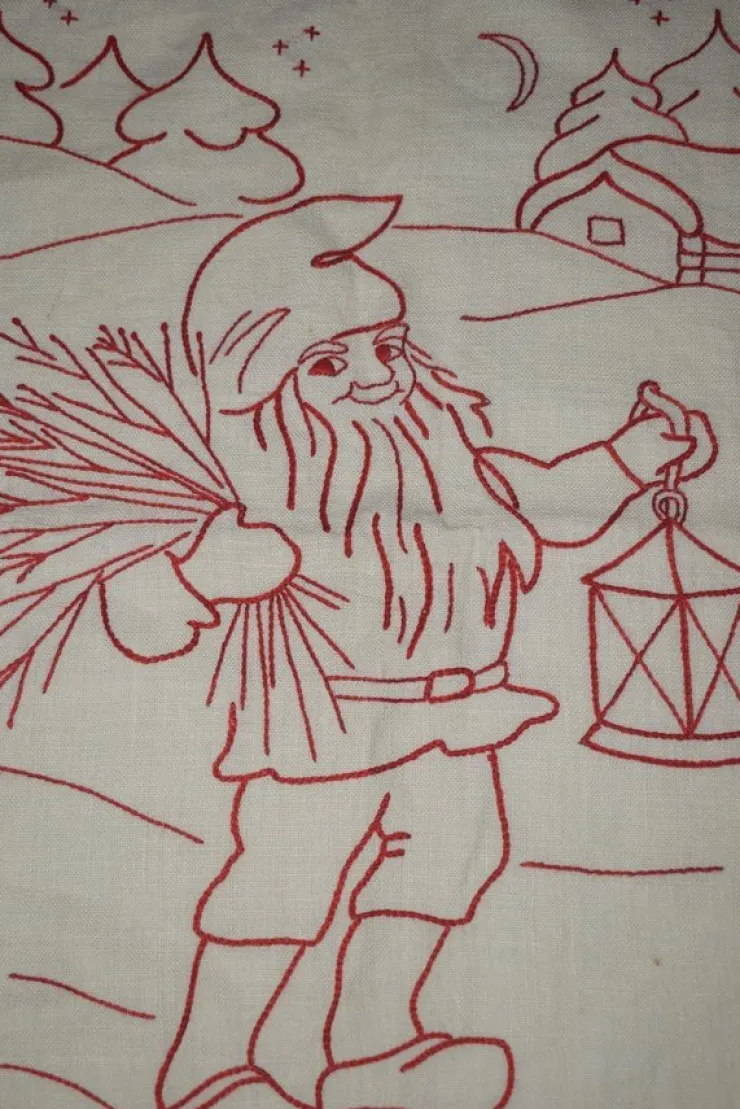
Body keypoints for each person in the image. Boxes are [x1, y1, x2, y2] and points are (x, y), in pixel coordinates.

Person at [101, 195, 715, 1109]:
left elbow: (549, 498)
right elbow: (137, 609)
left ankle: (375, 1048)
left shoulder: (454, 467)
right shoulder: (261, 498)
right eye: (326, 363)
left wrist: (633, 453)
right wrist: (197, 576)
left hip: (462, 717)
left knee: (448, 861)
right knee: (284, 880)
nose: (374, 376)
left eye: (386, 346)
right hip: (322, 730)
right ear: (265, 386)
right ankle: (209, 1067)